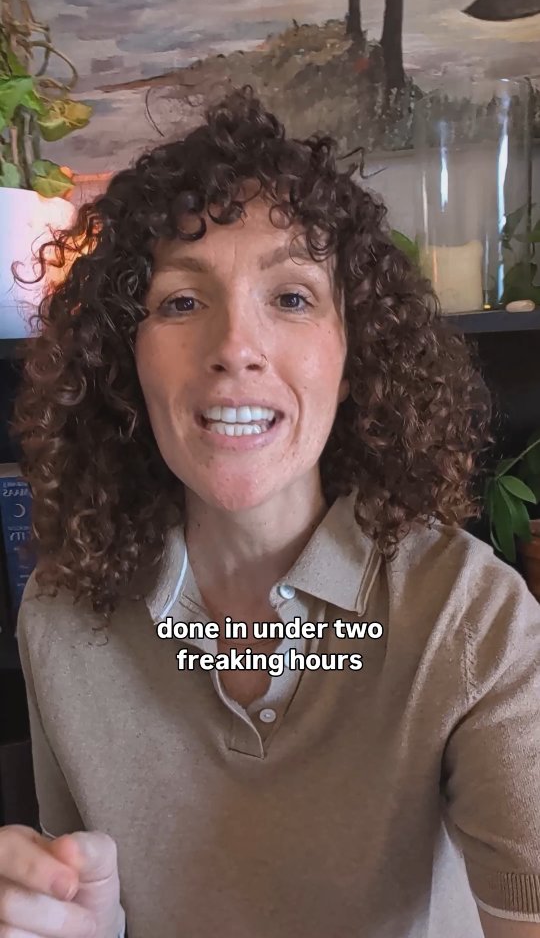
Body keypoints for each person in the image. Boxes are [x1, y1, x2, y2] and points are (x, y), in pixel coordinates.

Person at [1, 85, 539, 938]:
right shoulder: (60, 615)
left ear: (354, 354)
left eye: (291, 297)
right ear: (124, 359)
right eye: (182, 302)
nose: (234, 350)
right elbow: (85, 900)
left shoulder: (471, 617)